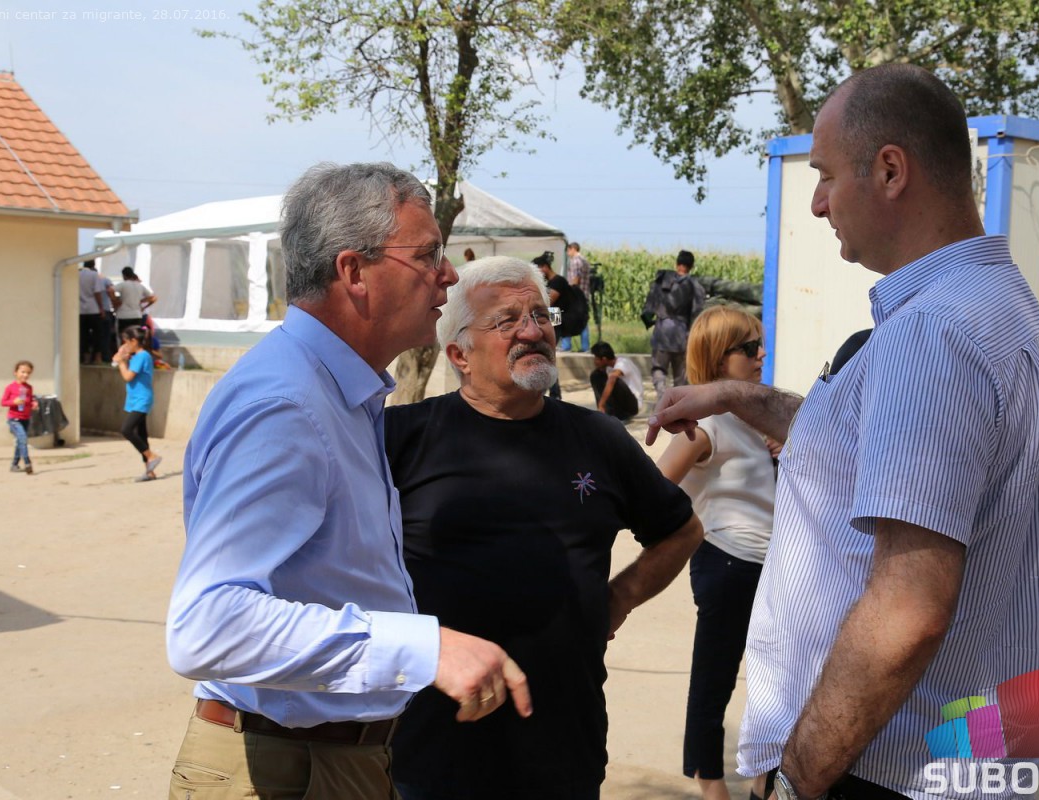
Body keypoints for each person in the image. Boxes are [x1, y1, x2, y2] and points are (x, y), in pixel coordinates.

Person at [648, 63, 1039, 800]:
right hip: (969, 754)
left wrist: (798, 779)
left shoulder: (933, 332)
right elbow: (854, 435)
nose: (817, 203)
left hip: (883, 768)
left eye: (825, 175)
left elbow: (908, 610)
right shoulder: (992, 300)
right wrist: (737, 395)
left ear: (890, 171)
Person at [165, 162, 531, 800]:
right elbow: (208, 626)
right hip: (283, 767)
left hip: (322, 759)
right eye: (428, 255)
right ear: (354, 273)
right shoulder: (286, 406)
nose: (448, 275)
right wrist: (424, 649)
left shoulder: (338, 391)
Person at [385, 255, 704, 800]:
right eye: (507, 321)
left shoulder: (599, 438)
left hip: (563, 752)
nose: (533, 332)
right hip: (429, 754)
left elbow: (681, 530)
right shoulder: (401, 438)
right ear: (459, 354)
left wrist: (619, 598)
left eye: (539, 316)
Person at [655, 306, 775, 800]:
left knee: (777, 681)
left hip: (771, 570)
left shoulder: (756, 418)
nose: (761, 354)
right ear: (718, 357)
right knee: (715, 680)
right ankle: (710, 782)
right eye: (749, 348)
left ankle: (766, 778)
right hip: (727, 564)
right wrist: (689, 533)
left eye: (760, 344)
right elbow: (653, 489)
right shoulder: (705, 426)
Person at [642, 250, 705, 404]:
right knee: (681, 375)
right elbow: (697, 312)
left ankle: (662, 399)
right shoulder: (694, 285)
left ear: (677, 264)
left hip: (661, 332)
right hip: (682, 335)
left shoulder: (661, 280)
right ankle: (678, 405)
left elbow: (647, 310)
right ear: (691, 266)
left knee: (658, 369)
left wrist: (650, 321)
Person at [533, 251, 587, 400]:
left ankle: (553, 393)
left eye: (538, 269)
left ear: (545, 267)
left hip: (556, 322)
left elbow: (549, 302)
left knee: (548, 357)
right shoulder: (551, 282)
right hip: (553, 321)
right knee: (548, 357)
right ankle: (553, 392)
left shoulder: (558, 281)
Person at [111, 326, 162, 482]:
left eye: (127, 342)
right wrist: (122, 357)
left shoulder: (142, 356)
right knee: (141, 434)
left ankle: (151, 456)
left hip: (142, 399)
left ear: (134, 341)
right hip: (135, 399)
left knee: (126, 430)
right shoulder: (137, 356)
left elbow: (128, 376)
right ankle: (149, 471)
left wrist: (121, 363)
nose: (125, 345)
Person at [589, 340, 643, 421]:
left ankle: (619, 415)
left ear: (604, 359)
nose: (594, 362)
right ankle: (606, 413)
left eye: (596, 359)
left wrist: (601, 404)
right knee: (596, 375)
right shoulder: (608, 368)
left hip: (633, 405)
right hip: (621, 403)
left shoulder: (623, 363)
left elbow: (612, 380)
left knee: (614, 380)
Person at [0, 360, 38, 475]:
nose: (25, 375)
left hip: (25, 418)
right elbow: (3, 402)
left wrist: (33, 404)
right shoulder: (10, 387)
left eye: (28, 373)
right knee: (23, 438)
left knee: (20, 441)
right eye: (23, 372)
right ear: (15, 373)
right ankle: (27, 463)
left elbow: (29, 401)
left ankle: (14, 465)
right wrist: (14, 402)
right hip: (14, 419)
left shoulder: (29, 388)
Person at [563, 241, 593, 352]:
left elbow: (575, 279)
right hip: (583, 295)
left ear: (573, 249)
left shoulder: (576, 261)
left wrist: (567, 292)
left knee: (566, 318)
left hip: (576, 295)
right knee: (582, 320)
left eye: (568, 250)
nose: (567, 253)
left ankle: (566, 346)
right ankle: (585, 347)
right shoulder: (584, 260)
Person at [114, 267, 157, 334]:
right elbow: (153, 297)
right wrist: (142, 302)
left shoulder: (123, 284)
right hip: (138, 314)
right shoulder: (141, 286)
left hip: (124, 315)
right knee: (137, 334)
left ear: (124, 275)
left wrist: (115, 301)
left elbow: (110, 290)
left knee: (123, 334)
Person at [78, 260, 104, 364]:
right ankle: (97, 357)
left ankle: (84, 357)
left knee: (82, 334)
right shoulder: (94, 275)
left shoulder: (77, 274)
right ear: (93, 265)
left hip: (80, 309)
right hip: (93, 309)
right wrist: (101, 307)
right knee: (97, 334)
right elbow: (97, 292)